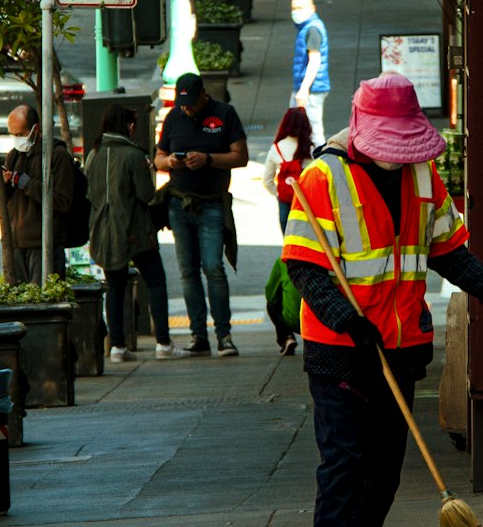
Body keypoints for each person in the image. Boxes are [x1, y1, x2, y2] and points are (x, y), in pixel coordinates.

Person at [282, 72, 483, 527]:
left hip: (399, 347)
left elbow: (447, 252)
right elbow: (305, 265)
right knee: (345, 460)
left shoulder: (423, 176)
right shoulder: (325, 178)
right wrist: (348, 319)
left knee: (384, 468)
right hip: (341, 350)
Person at [154, 72, 248, 357]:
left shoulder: (225, 114)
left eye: (191, 104)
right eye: (183, 104)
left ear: (203, 95)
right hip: (179, 203)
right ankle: (199, 334)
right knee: (187, 271)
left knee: (213, 268)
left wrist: (208, 159)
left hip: (211, 204)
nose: (187, 109)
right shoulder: (173, 118)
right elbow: (157, 157)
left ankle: (224, 334)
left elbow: (240, 157)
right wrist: (169, 161)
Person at [84, 103, 184, 363]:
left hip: (103, 231)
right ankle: (163, 342)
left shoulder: (93, 154)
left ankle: (116, 346)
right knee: (155, 280)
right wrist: (148, 168)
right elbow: (147, 194)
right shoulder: (132, 155)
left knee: (114, 286)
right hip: (135, 230)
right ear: (128, 126)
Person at [2, 104, 74, 284]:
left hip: (43, 244)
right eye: (12, 135)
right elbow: (5, 198)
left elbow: (63, 201)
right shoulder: (14, 155)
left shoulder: (57, 155)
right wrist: (6, 184)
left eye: (20, 134)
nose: (16, 140)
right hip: (17, 243)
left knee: (43, 300)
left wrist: (25, 183)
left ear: (36, 129)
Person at [262, 106, 314, 233]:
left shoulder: (277, 148)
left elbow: (267, 180)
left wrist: (278, 194)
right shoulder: (309, 149)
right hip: (306, 202)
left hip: (285, 201)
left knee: (288, 240)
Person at [290, 0, 330, 150]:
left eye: (300, 7)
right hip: (308, 87)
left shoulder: (312, 29)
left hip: (311, 89)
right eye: (294, 8)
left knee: (314, 131)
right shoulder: (308, 27)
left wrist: (304, 89)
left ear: (312, 8)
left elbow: (315, 60)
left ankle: (323, 164)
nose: (296, 11)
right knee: (301, 128)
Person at [264, 255, 300, 357]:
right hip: (320, 320)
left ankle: (287, 338)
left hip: (294, 320)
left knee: (271, 304)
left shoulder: (282, 261)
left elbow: (270, 295)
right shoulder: (321, 258)